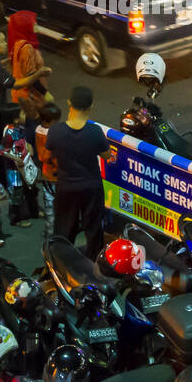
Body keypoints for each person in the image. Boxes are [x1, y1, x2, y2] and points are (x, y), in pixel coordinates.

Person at [47, 86, 111, 258]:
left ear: (69, 103)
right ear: (91, 106)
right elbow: (107, 156)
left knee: (64, 227)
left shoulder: (55, 131)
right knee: (93, 227)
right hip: (91, 187)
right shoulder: (95, 132)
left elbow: (50, 153)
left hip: (66, 186)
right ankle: (93, 263)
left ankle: (62, 260)